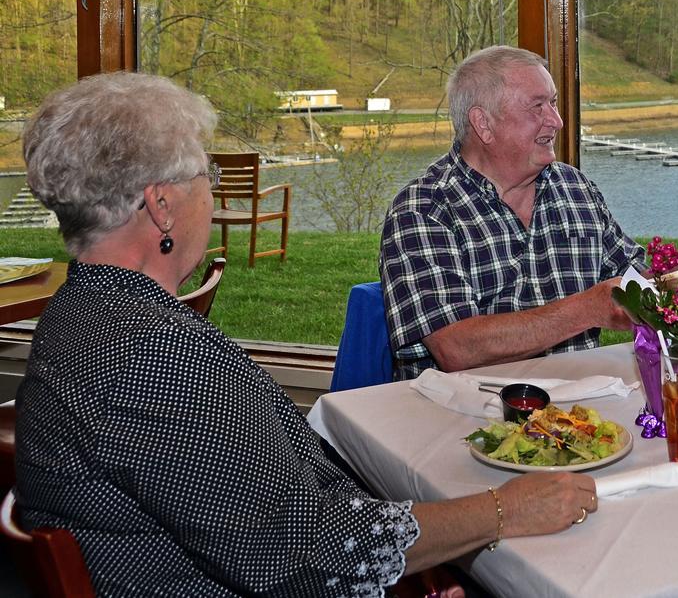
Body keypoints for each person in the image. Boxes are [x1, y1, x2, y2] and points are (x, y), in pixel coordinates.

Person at [16, 72, 598, 597]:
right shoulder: (144, 352)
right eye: (206, 174)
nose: (212, 195)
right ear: (161, 205)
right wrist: (502, 511)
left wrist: (419, 562)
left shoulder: (88, 313)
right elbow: (307, 549)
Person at [381, 46, 645, 380]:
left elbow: (634, 278)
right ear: (483, 124)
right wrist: (587, 310)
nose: (557, 121)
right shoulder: (424, 209)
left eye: (553, 102)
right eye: (538, 107)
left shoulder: (576, 189)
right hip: (465, 418)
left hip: (581, 416)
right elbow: (456, 348)